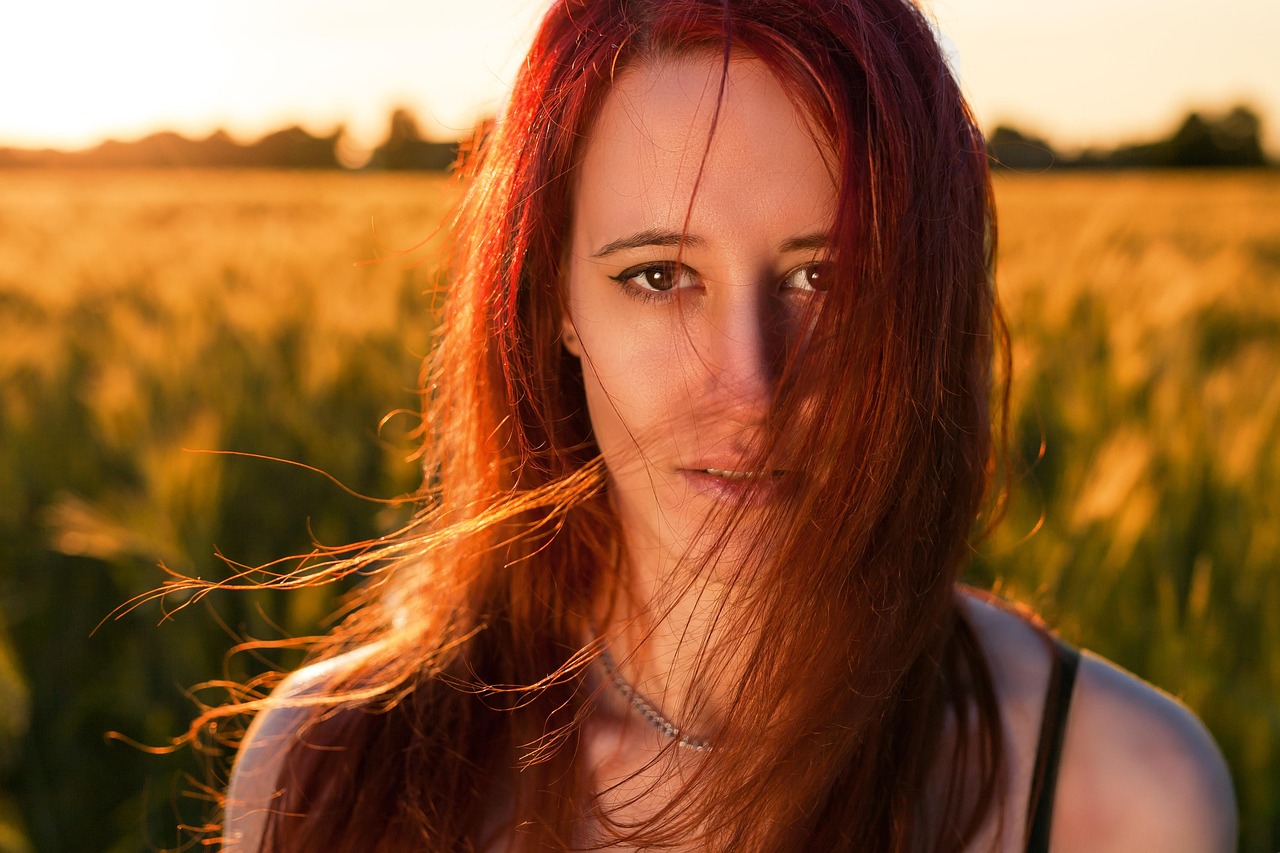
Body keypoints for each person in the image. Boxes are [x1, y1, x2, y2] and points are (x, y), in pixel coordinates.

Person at [220, 0, 1237, 849]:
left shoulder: (1115, 792)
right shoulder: (324, 775)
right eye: (657, 276)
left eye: (823, 278)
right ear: (555, 304)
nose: (750, 381)